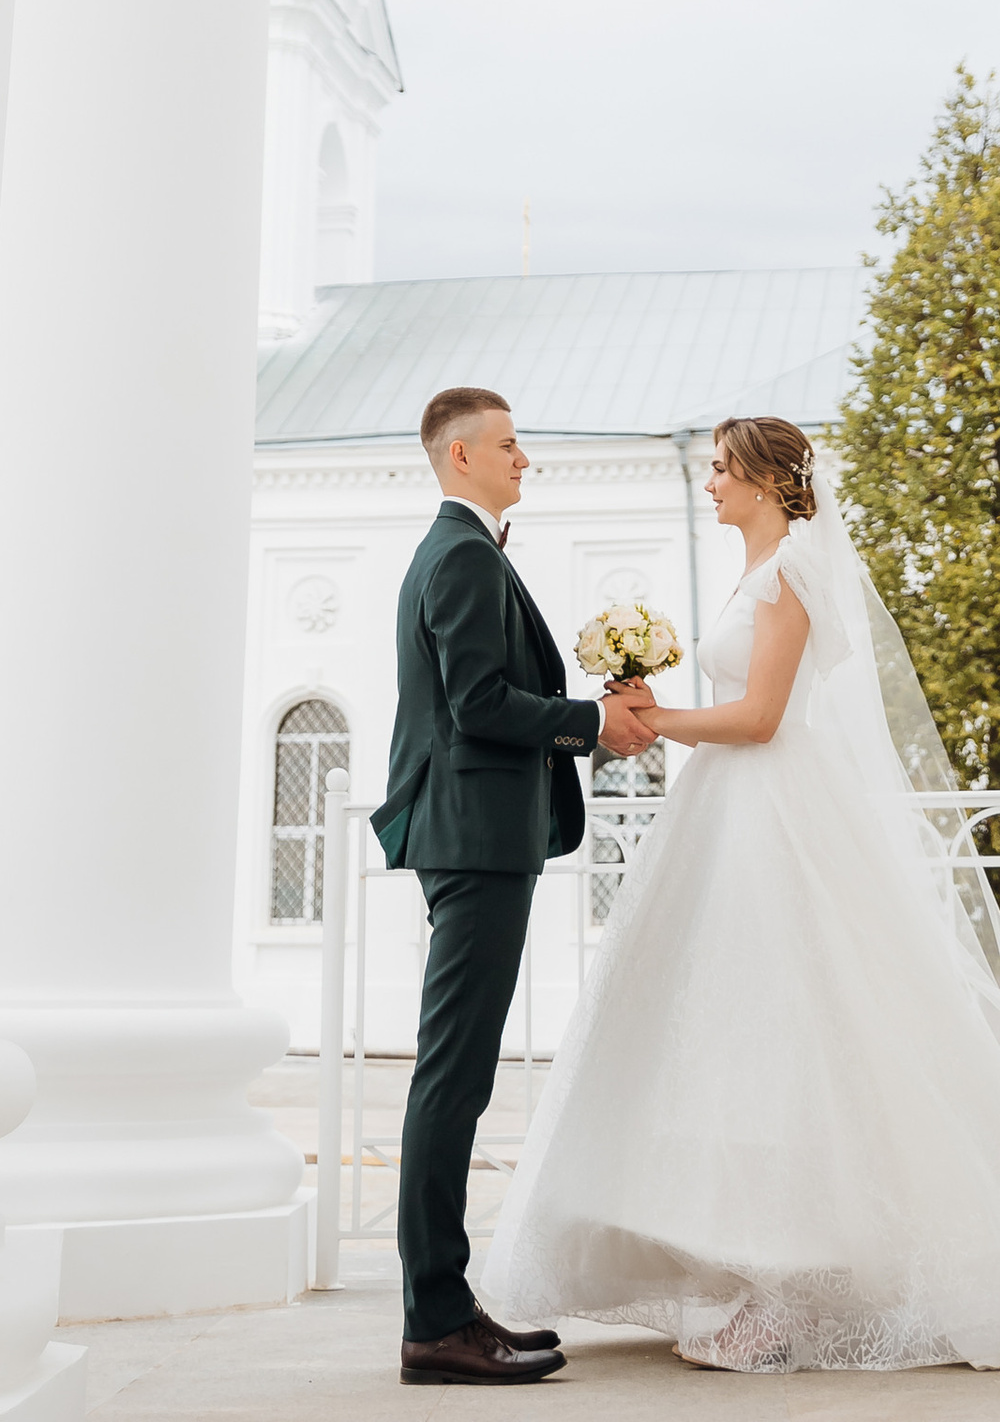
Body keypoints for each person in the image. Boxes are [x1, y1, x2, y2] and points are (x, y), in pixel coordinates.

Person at [481, 415, 1000, 1374]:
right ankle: (733, 1269)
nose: (708, 483)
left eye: (721, 470)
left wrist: (650, 719)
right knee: (716, 1034)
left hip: (772, 815)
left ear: (764, 481)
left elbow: (761, 717)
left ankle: (787, 1289)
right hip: (725, 816)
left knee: (787, 1032)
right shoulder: (758, 571)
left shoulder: (794, 570)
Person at [377, 385, 659, 1387]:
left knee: (458, 1077)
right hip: (475, 837)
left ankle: (447, 1312)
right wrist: (589, 721)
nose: (523, 457)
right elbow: (480, 704)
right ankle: (436, 1322)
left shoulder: (466, 551)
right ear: (460, 457)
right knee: (451, 1080)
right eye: (507, 444)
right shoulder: (458, 555)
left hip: (480, 836)